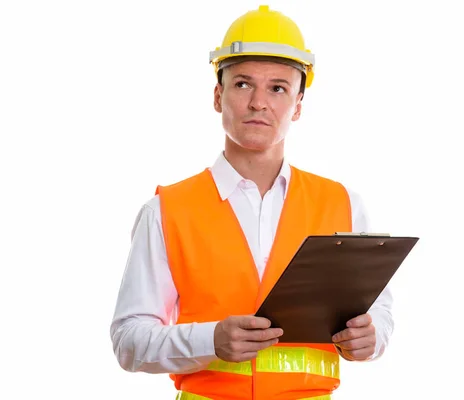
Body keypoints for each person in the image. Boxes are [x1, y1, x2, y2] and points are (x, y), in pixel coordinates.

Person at [110, 5, 393, 399]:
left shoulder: (342, 203)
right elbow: (128, 340)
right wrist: (210, 340)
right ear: (217, 95)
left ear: (297, 105)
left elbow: (379, 315)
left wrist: (371, 338)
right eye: (243, 84)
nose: (259, 102)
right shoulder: (166, 211)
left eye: (278, 88)